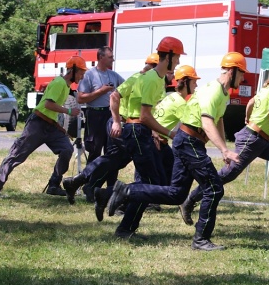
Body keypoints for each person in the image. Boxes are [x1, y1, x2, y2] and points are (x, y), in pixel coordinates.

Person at [105, 52, 244, 250]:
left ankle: (127, 191)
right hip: (189, 141)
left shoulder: (224, 93)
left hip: (187, 141)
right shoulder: (213, 90)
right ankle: (201, 239)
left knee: (177, 194)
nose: (243, 78)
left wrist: (224, 149)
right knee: (214, 189)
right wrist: (224, 150)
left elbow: (218, 119)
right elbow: (206, 121)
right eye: (242, 73)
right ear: (232, 71)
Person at [179, 56, 269, 223]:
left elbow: (250, 102)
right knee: (228, 174)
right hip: (252, 140)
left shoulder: (268, 88)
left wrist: (248, 117)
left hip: (261, 140)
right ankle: (189, 200)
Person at [61, 38, 183, 207]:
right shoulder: (142, 79)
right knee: (132, 160)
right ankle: (120, 196)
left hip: (130, 124)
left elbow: (150, 111)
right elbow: (115, 97)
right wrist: (117, 122)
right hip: (123, 123)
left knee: (116, 159)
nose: (173, 71)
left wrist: (154, 131)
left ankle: (83, 183)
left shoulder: (155, 82)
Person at [0, 56, 85, 198]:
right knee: (17, 155)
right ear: (72, 71)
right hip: (37, 124)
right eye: (81, 73)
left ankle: (54, 185)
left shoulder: (66, 86)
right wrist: (69, 111)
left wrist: (60, 127)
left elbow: (51, 110)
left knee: (67, 149)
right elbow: (47, 105)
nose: (82, 76)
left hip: (51, 126)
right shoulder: (59, 83)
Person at [75, 47, 125, 201]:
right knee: (95, 151)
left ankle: (110, 188)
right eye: (110, 57)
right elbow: (80, 98)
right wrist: (101, 91)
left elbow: (127, 89)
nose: (112, 59)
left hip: (110, 115)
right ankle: (89, 186)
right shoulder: (89, 75)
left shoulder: (113, 75)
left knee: (112, 153)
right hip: (95, 115)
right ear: (101, 57)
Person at [152, 64, 198, 183]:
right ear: (186, 83)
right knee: (151, 179)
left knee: (167, 174)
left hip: (156, 139)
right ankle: (119, 191)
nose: (196, 85)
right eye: (194, 82)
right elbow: (191, 127)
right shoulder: (180, 103)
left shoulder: (172, 96)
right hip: (156, 142)